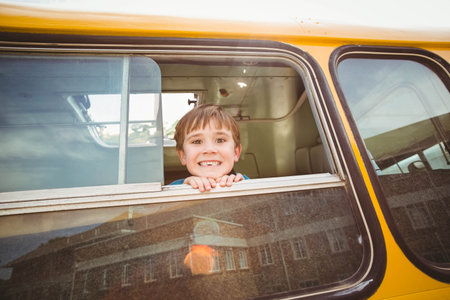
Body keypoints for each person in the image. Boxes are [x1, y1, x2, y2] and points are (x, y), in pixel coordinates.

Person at [170, 103, 248, 192]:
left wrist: (244, 187)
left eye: (220, 140)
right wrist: (184, 188)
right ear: (183, 156)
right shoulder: (171, 190)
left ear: (236, 152)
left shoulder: (250, 184)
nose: (209, 149)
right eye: (197, 141)